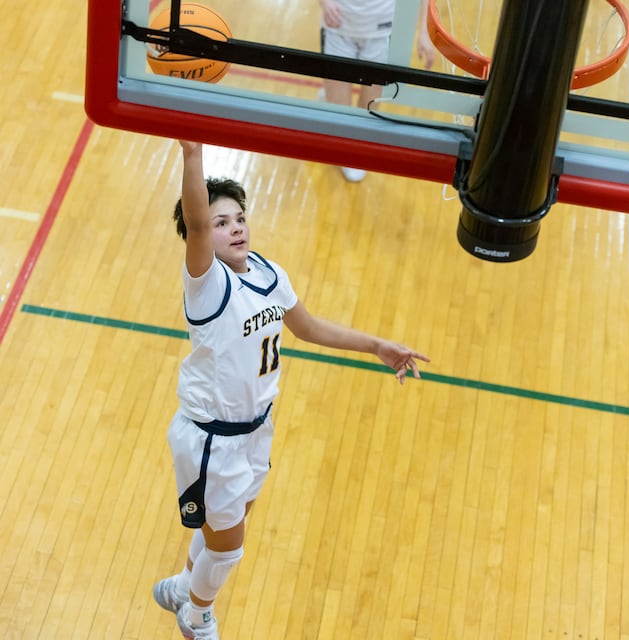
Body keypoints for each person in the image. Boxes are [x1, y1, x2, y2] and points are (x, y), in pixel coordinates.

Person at [152, 140, 429, 639]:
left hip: (256, 430)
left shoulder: (266, 270)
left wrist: (376, 346)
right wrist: (192, 152)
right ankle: (195, 614)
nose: (234, 227)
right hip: (213, 439)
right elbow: (194, 221)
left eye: (238, 217)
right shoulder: (207, 285)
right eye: (220, 223)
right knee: (229, 545)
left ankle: (182, 587)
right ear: (201, 238)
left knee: (224, 533)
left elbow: (308, 327)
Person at [318, 0, 436, 182]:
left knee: (369, 111)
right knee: (339, 119)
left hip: (382, 32)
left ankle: (355, 149)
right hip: (337, 28)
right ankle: (331, 101)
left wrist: (425, 32)